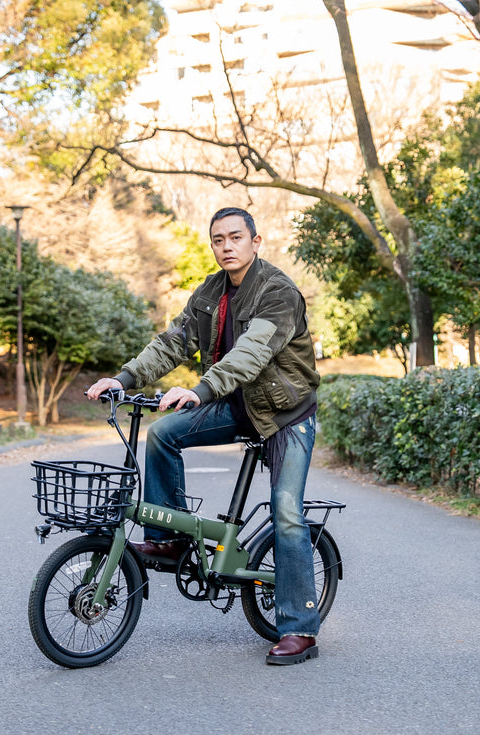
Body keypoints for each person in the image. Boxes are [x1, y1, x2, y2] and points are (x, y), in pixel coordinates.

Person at [87, 207, 322, 666]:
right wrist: (125, 377)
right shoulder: (212, 293)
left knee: (287, 513)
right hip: (239, 404)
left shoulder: (279, 293)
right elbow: (173, 342)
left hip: (286, 414)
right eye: (218, 240)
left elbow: (251, 355)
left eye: (236, 237)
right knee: (164, 433)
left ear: (257, 241)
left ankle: (299, 630)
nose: (226, 246)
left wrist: (200, 390)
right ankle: (169, 537)